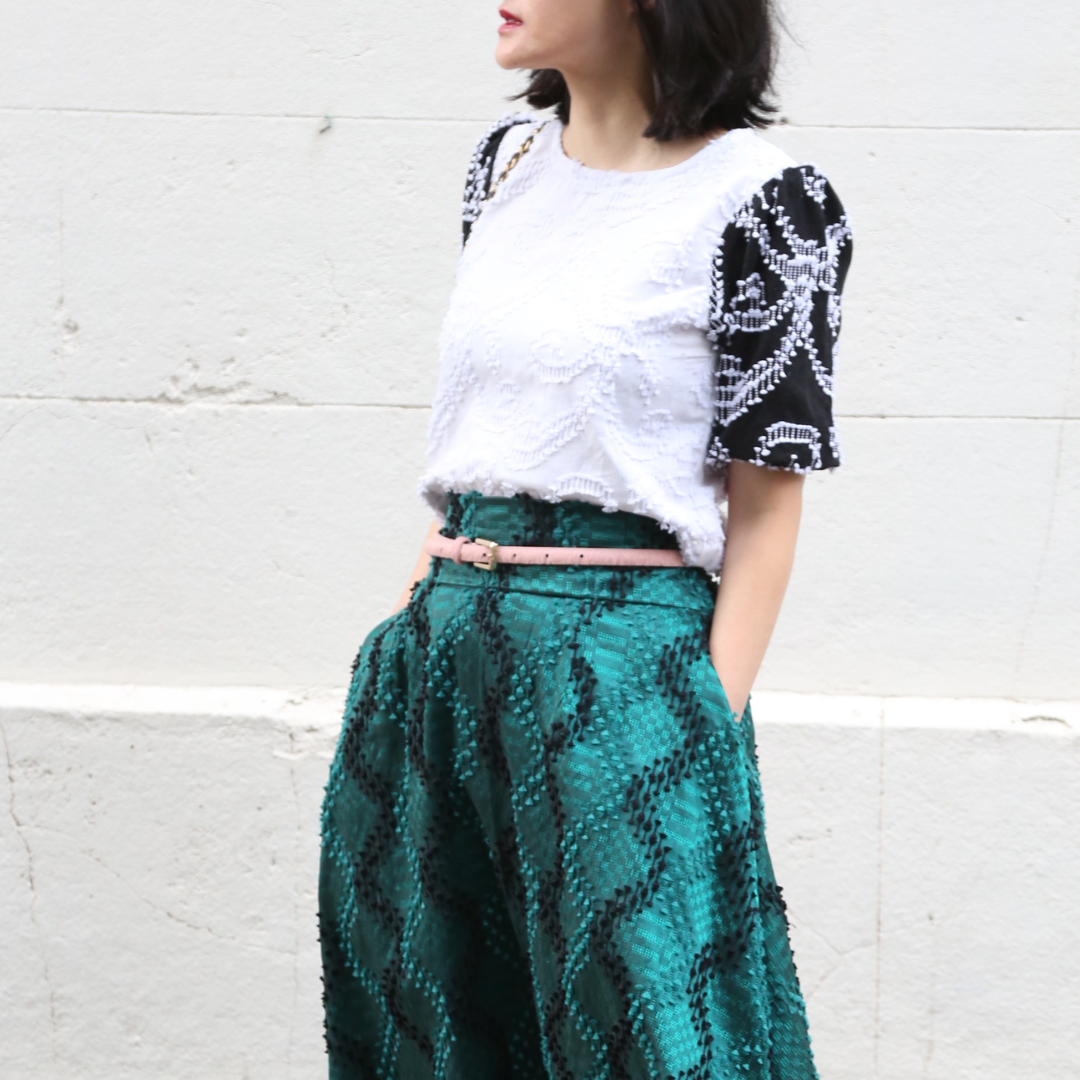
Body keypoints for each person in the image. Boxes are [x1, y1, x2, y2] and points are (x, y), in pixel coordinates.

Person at [319, 0, 852, 1076]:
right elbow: (490, 440)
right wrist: (409, 625)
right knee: (435, 1024)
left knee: (648, 1033)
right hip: (442, 654)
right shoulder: (504, 168)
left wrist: (700, 726)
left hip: (620, 671)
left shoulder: (769, 201)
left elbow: (768, 504)